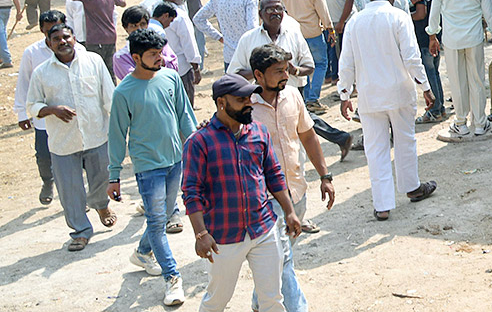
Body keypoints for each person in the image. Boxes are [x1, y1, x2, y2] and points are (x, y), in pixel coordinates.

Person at [182, 73, 300, 312]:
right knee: (217, 301)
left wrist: (290, 211)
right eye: (241, 99)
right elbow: (191, 192)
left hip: (263, 229)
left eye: (249, 98)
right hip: (223, 237)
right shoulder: (199, 142)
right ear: (221, 103)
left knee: (272, 300)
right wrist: (200, 234)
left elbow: (274, 175)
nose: (248, 103)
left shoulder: (258, 132)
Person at [108, 29, 196, 306]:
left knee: (164, 214)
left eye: (161, 53)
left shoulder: (170, 78)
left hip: (175, 161)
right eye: (153, 55)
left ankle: (142, 252)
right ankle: (172, 278)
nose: (160, 59)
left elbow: (185, 116)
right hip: (148, 168)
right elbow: (116, 134)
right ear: (136, 57)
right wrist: (113, 176)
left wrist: (195, 150)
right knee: (158, 222)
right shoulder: (123, 92)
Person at [339, 0, 438, 220]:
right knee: (405, 140)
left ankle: (382, 205)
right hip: (399, 91)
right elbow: (411, 57)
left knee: (376, 149)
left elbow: (346, 62)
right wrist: (425, 86)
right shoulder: (398, 17)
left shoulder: (355, 22)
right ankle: (412, 187)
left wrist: (344, 94)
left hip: (369, 95)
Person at [246, 44, 336, 311]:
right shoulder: (246, 105)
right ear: (259, 75)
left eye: (286, 69)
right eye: (278, 71)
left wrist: (325, 175)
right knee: (283, 258)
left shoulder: (293, 95)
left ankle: (259, 299)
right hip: (266, 197)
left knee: (278, 257)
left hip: (297, 190)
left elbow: (307, 135)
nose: (285, 75)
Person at [27, 23, 116, 251]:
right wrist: (53, 110)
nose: (62, 41)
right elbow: (33, 105)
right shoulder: (42, 73)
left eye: (66, 36)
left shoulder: (93, 62)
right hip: (63, 142)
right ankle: (80, 231)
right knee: (70, 188)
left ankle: (101, 205)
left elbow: (108, 96)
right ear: (49, 44)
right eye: (56, 39)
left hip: (96, 135)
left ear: (74, 38)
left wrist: (118, 128)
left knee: (101, 180)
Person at [426, 0, 492, 136]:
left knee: (457, 82)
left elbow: (434, 14)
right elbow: (489, 13)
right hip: (474, 38)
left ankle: (461, 122)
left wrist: (432, 36)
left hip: (451, 40)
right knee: (476, 80)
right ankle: (479, 123)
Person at [15, 10, 69, 205]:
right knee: (44, 157)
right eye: (49, 32)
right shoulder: (32, 53)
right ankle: (48, 181)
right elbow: (24, 83)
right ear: (42, 31)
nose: (54, 35)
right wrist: (22, 113)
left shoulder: (75, 48)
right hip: (43, 118)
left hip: (70, 117)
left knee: (75, 157)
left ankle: (76, 196)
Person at [278, 0, 334, 109]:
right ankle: (312, 99)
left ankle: (305, 98)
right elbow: (323, 11)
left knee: (301, 66)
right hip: (313, 32)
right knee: (320, 64)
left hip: (293, 32)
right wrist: (330, 29)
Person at [58, 0, 125, 77]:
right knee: (109, 71)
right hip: (110, 37)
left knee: (94, 71)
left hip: (95, 39)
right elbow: (123, 3)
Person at [193, 0, 260, 68]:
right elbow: (252, 28)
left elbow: (198, 19)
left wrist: (218, 37)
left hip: (229, 56)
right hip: (248, 56)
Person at [409, 0, 446, 124]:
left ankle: (435, 110)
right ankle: (440, 107)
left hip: (424, 37)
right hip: (437, 33)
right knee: (435, 72)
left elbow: (420, 13)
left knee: (429, 73)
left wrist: (405, 14)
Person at [159, 0, 202, 103]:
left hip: (163, 67)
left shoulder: (156, 10)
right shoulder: (179, 15)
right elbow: (188, 42)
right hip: (181, 67)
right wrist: (196, 67)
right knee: (185, 103)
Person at [113, 6, 178, 80]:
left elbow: (174, 66)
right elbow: (136, 80)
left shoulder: (160, 45)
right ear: (126, 28)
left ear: (147, 25)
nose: (139, 29)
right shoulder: (121, 57)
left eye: (142, 24)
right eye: (134, 26)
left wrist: (162, 60)